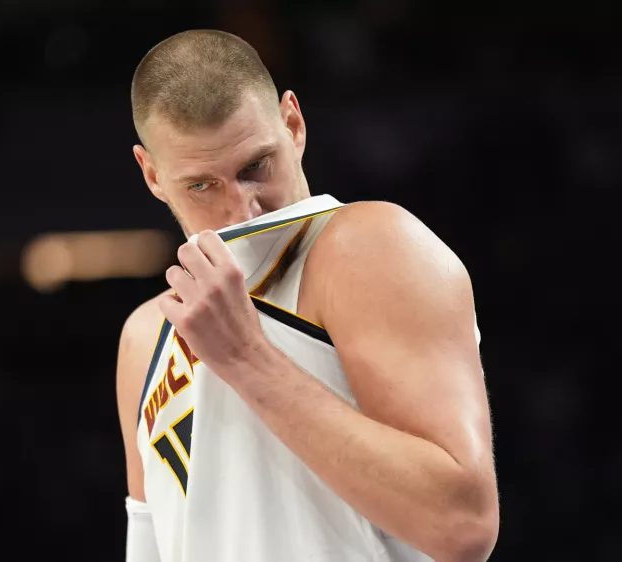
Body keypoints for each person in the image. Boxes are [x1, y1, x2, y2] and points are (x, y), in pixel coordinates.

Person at [115, 29, 499, 562]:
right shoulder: (143, 336)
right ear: (152, 174)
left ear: (292, 124)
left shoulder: (368, 244)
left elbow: (462, 525)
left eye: (255, 167)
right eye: (202, 185)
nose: (243, 209)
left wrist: (246, 357)